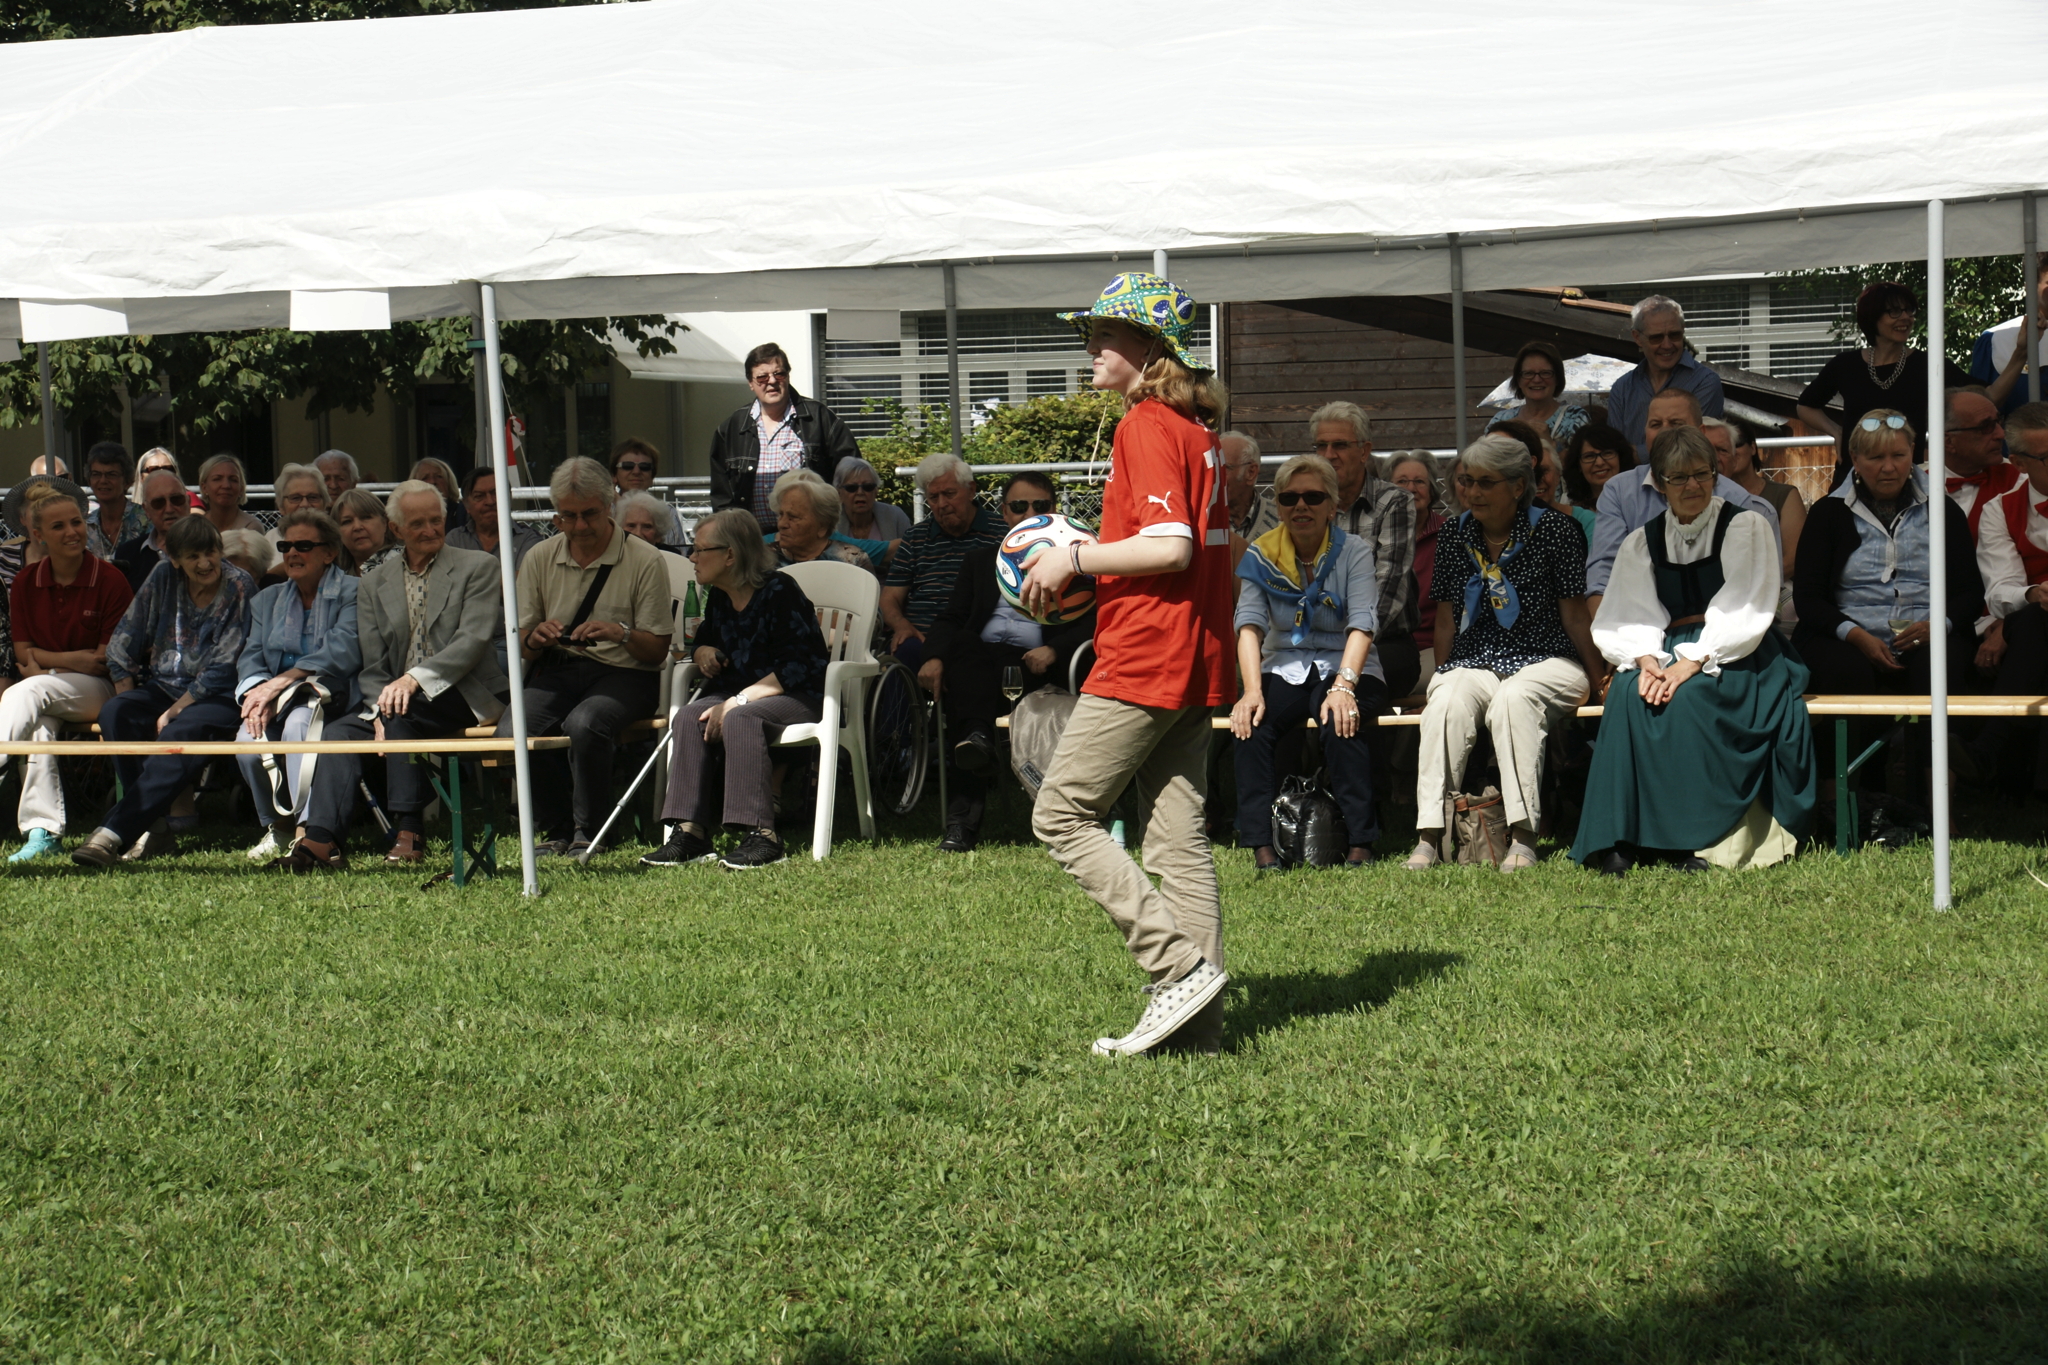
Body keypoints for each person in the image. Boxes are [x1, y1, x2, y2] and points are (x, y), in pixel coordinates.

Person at [1021, 271, 1233, 1058]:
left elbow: (1170, 547)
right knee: (1177, 839)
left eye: (1105, 333)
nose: (1090, 346)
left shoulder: (1144, 424)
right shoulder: (1193, 428)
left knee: (1059, 814)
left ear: (1149, 346)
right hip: (1193, 651)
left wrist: (1074, 557)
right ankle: (1198, 1031)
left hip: (1146, 653)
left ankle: (1175, 967)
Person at [1572, 427, 1814, 875]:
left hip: (1739, 650)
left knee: (1692, 696)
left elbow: (1745, 605)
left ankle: (1697, 839)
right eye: (1679, 477)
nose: (1692, 486)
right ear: (1660, 484)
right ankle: (1620, 838)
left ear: (1715, 475)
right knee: (1626, 693)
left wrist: (1691, 663)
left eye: (1702, 474)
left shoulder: (1745, 526)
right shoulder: (1643, 539)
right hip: (1665, 646)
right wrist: (1647, 661)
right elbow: (1629, 610)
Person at [1406, 432, 1602, 874]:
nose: (1472, 492)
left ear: (1517, 486)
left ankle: (1523, 837)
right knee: (1447, 702)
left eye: (1485, 482)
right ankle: (1429, 837)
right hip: (1476, 658)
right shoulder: (1455, 534)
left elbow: (1574, 615)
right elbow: (1445, 620)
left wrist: (1598, 678)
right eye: (1467, 481)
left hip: (1548, 657)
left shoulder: (1556, 530)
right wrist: (1443, 677)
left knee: (1515, 699)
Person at [292, 481, 510, 870]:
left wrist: (413, 680)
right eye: (418, 523)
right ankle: (322, 840)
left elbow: (472, 642)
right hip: (395, 700)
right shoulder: (375, 581)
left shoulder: (478, 566)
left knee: (401, 712)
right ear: (396, 529)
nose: (430, 530)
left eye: (436, 520)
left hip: (465, 692)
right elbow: (374, 663)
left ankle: (409, 830)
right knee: (338, 733)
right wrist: (377, 710)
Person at [1795, 410, 1981, 789]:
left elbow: (1969, 593)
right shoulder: (1828, 513)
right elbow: (1809, 599)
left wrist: (1937, 627)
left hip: (1926, 631)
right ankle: (1840, 796)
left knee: (1937, 669)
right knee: (1846, 672)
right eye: (1875, 457)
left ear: (1914, 452)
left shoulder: (1942, 510)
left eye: (1898, 455)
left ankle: (1938, 799)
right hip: (1847, 635)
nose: (1888, 467)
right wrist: (1857, 636)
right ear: (1854, 458)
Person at [640, 510, 831, 871]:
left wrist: (737, 701)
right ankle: (691, 832)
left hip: (798, 696)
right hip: (740, 695)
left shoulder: (780, 592)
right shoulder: (720, 597)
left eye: (700, 550)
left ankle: (763, 836)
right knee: (688, 717)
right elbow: (704, 639)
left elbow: (799, 666)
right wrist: (702, 650)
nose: (692, 558)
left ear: (730, 555)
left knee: (741, 718)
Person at [918, 470, 1096, 853]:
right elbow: (952, 617)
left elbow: (1093, 623)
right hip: (979, 662)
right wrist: (932, 656)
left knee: (968, 710)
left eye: (1039, 506)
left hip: (1037, 668)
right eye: (1019, 506)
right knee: (964, 643)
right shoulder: (979, 561)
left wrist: (1056, 650)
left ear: (1055, 511)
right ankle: (976, 745)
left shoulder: (1074, 564)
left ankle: (964, 813)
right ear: (1004, 513)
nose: (1029, 513)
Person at [504, 456, 673, 858]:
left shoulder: (645, 558)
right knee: (514, 729)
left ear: (611, 503)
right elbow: (521, 642)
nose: (579, 526)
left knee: (586, 723)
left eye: (589, 514)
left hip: (626, 673)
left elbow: (657, 650)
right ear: (556, 514)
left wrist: (620, 632)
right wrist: (537, 637)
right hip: (558, 669)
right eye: (568, 516)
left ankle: (592, 832)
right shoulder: (539, 556)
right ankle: (556, 827)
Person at [1230, 453, 1386, 872]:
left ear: (1332, 506)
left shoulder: (1354, 551)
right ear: (1279, 506)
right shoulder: (1261, 553)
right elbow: (1248, 626)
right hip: (1285, 662)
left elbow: (1363, 623)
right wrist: (1251, 692)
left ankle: (1360, 841)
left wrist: (1344, 687)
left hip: (1348, 663)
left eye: (1313, 497)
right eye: (1290, 498)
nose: (1301, 506)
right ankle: (1262, 846)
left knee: (1340, 717)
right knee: (1251, 723)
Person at [71, 516, 255, 867]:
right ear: (175, 559)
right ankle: (154, 825)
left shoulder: (239, 584)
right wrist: (126, 689)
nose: (205, 563)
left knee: (179, 731)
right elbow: (124, 638)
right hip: (164, 685)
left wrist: (177, 708)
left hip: (219, 695)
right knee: (116, 712)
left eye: (211, 552)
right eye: (193, 556)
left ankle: (112, 834)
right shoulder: (162, 575)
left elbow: (226, 664)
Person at [1250, 402, 1420, 700]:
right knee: (1272, 694)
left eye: (1340, 445)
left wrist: (1348, 643)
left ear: (1364, 451)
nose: (1329, 455)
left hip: (1382, 643)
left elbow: (1388, 589)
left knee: (1329, 692)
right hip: (1305, 645)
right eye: (1321, 446)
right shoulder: (1301, 504)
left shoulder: (1394, 502)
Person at [0, 488, 132, 862]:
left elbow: (103, 660)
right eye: (58, 526)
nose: (72, 532)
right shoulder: (25, 582)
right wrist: (71, 661)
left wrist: (48, 664)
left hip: (103, 690)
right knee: (39, 723)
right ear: (37, 535)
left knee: (28, 692)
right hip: (46, 687)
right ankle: (42, 832)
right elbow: (23, 652)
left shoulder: (110, 579)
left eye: (77, 522)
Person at [1799, 282, 2022, 485]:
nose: (1906, 317)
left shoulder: (1929, 364)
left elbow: (1990, 397)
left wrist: (2021, 353)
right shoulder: (1845, 365)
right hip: (1853, 477)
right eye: (1895, 311)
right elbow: (1805, 405)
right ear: (1872, 317)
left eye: (1909, 311)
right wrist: (1836, 431)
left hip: (1907, 481)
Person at [232, 508, 360, 862]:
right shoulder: (267, 600)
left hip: (331, 694)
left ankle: (307, 830)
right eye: (286, 546)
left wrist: (281, 683)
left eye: (303, 546)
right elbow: (251, 657)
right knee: (248, 739)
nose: (292, 553)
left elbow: (343, 649)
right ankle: (279, 826)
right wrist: (257, 695)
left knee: (300, 725)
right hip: (277, 695)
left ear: (329, 552)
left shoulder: (353, 591)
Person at [1586, 387, 1778, 603]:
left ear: (1700, 432)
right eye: (1655, 424)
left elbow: (1749, 588)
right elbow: (1603, 573)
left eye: (1676, 423)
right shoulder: (1619, 491)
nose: (1665, 432)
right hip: (1636, 616)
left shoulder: (1735, 499)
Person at [1958, 402, 2048, 793]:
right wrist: (2035, 592)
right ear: (2021, 464)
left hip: (2028, 627)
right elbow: (2000, 591)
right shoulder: (1999, 509)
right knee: (2034, 618)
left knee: (2030, 623)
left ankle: (1988, 751)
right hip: (2036, 621)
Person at [708, 343, 860, 530]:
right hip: (753, 539)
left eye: (779, 374)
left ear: (788, 376)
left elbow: (853, 477)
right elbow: (722, 499)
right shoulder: (732, 428)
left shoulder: (819, 418)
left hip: (808, 536)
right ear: (750, 383)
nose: (772, 381)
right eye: (762, 377)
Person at [880, 453, 1007, 667]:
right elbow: (889, 598)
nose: (942, 504)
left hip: (975, 636)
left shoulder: (1002, 534)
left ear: (971, 490)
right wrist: (902, 625)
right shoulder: (915, 537)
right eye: (933, 497)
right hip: (921, 637)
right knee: (901, 653)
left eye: (949, 494)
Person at [1605, 295, 1726, 455]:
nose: (1667, 345)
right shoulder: (1622, 389)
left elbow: (1694, 446)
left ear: (1683, 331)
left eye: (1674, 335)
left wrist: (1633, 454)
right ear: (1637, 337)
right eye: (1657, 338)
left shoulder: (1705, 382)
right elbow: (1614, 452)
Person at [1706, 416, 1806, 578]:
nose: (1717, 456)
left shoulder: (1779, 497)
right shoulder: (1701, 500)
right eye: (1709, 450)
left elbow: (1793, 559)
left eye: (1736, 444)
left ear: (1753, 447)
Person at [1385, 452, 1445, 677]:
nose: (1411, 489)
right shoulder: (1375, 535)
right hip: (1385, 644)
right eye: (1402, 481)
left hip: (1432, 646)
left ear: (1432, 490)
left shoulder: (1449, 535)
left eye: (1419, 482)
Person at [1942, 387, 2023, 539]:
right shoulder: (1916, 483)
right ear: (1949, 441)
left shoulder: (2022, 481)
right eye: (1985, 427)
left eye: (1998, 421)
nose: (2001, 434)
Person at [770, 471, 877, 577]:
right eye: (781, 514)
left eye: (793, 517)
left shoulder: (852, 560)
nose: (782, 524)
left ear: (822, 526)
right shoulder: (765, 559)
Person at [1487, 341, 1589, 451]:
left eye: (1545, 373)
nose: (1537, 380)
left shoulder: (1575, 418)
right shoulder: (1501, 420)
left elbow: (1583, 460)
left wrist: (1550, 443)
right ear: (1519, 380)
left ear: (1557, 378)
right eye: (1528, 373)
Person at [446, 465, 545, 568]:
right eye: (479, 496)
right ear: (466, 505)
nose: (490, 501)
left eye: (496, 493)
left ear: (509, 497)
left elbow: (524, 576)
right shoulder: (455, 540)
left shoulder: (527, 539)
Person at [113, 469, 192, 592]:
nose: (169, 509)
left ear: (188, 502)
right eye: (158, 503)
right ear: (147, 510)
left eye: (176, 499)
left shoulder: (210, 547)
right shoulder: (126, 555)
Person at [1561, 422, 1635, 543]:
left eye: (1607, 453)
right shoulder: (1567, 506)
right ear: (1578, 465)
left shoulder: (1638, 501)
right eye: (1589, 456)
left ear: (1620, 458)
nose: (1599, 462)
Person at [609, 437, 686, 544]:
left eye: (644, 467)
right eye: (627, 466)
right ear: (614, 475)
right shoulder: (603, 512)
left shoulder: (669, 513)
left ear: (652, 477)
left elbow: (677, 552)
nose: (636, 472)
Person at [82, 441, 147, 560]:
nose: (103, 480)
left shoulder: (145, 521)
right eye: (96, 474)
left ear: (127, 481)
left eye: (111, 474)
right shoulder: (84, 527)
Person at [833, 455, 911, 549]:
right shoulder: (830, 521)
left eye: (868, 487)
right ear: (839, 492)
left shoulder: (896, 517)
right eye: (852, 488)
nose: (860, 492)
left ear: (876, 491)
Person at [333, 487, 400, 576]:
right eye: (347, 521)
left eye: (365, 517)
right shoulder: (333, 575)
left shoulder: (406, 564)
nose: (357, 527)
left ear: (385, 522)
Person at [1219, 430, 1266, 549]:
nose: (1213, 476)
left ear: (1251, 472)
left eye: (1223, 468)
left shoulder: (1280, 520)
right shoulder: (1200, 522)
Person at [264, 464, 329, 548]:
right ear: (281, 506)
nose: (305, 504)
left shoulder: (337, 538)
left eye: (313, 497)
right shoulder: (270, 541)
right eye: (295, 498)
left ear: (325, 504)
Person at [194, 454, 262, 534]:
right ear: (204, 487)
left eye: (233, 480)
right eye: (217, 479)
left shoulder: (251, 527)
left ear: (241, 488)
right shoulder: (196, 527)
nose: (226, 485)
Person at [410, 458, 468, 531]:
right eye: (425, 478)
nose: (432, 481)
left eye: (439, 476)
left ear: (449, 482)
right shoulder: (408, 517)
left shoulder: (463, 513)